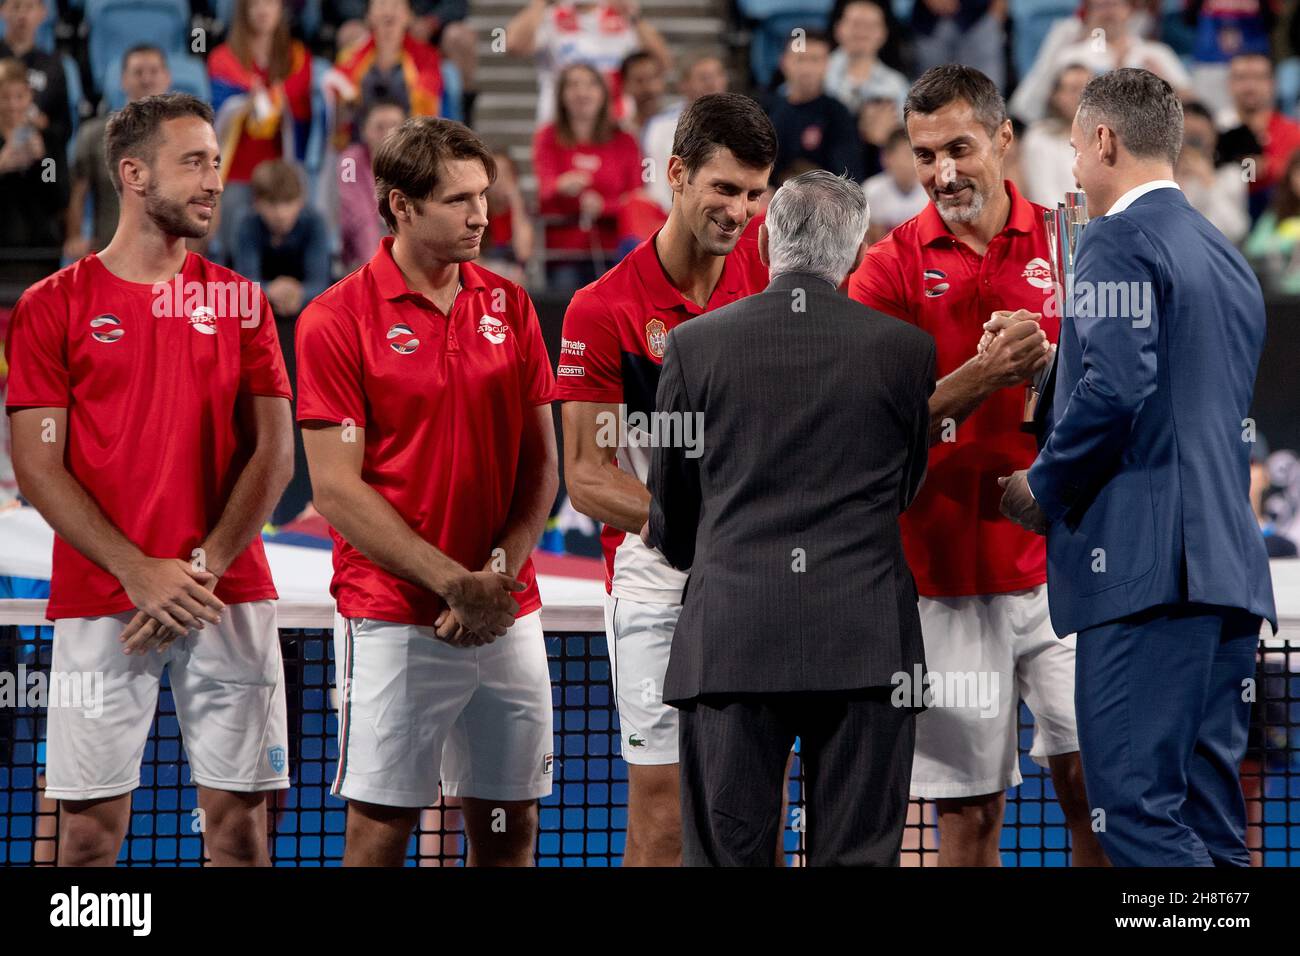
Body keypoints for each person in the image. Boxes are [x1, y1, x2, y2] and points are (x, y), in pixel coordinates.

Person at [4, 92, 295, 866]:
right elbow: (37, 464)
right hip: (102, 598)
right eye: (193, 162)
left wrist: (197, 572)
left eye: (216, 163)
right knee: (87, 838)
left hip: (225, 593)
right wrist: (137, 570)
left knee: (241, 833)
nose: (213, 180)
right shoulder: (50, 307)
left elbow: (275, 455)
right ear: (133, 174)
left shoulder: (241, 302)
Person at [1000, 68, 1278, 866]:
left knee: (1136, 816)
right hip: (1225, 576)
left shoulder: (1115, 239)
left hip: (1148, 577)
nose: (1076, 177)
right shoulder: (1225, 257)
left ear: (1104, 140)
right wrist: (1061, 368)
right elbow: (1174, 395)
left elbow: (1121, 385)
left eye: (1080, 156)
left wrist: (1042, 488)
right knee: (1211, 820)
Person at [847, 65, 1106, 867]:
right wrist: (980, 378)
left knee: (1095, 796)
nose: (943, 173)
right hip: (941, 581)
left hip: (1067, 571)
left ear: (1003, 139)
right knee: (968, 822)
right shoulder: (885, 270)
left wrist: (1054, 361)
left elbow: (1121, 390)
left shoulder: (1076, 245)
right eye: (925, 155)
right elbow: (867, 431)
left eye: (959, 147)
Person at [644, 170, 933, 867]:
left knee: (725, 858)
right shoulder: (906, 352)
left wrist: (706, 552)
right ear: (858, 251)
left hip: (732, 638)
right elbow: (905, 488)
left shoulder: (694, 346)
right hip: (867, 643)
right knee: (859, 858)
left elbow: (671, 508)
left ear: (768, 242)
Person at [296, 117, 558, 867]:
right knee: (379, 838)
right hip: (393, 619)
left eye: (484, 195)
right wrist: (454, 583)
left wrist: (496, 575)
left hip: (507, 610)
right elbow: (338, 489)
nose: (481, 215)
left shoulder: (511, 304)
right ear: (401, 205)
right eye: (457, 200)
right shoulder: (334, 320)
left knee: (510, 836)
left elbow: (541, 466)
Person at [557, 92, 776, 866]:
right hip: (657, 581)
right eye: (724, 188)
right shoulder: (600, 310)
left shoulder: (772, 277)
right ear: (676, 175)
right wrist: (692, 527)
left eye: (754, 194)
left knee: (753, 796)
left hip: (756, 577)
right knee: (661, 803)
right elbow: (586, 476)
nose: (740, 210)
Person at [209, 0, 314, 264]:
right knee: (232, 249)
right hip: (237, 171)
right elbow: (218, 110)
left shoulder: (297, 57)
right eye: (255, 5)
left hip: (283, 169)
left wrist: (270, 100)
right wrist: (248, 103)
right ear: (243, 11)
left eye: (270, 4)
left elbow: (301, 104)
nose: (263, 11)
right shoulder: (222, 58)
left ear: (281, 9)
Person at [532, 62, 643, 289]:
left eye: (590, 85)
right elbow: (544, 194)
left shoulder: (625, 141)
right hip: (563, 253)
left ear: (604, 94)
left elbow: (637, 199)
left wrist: (603, 207)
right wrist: (560, 187)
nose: (582, 92)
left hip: (616, 251)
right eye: (573, 85)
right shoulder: (547, 137)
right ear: (561, 95)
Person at [64, 46, 173, 262]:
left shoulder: (185, 138)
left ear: (167, 78)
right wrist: (75, 236)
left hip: (167, 257)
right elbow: (77, 191)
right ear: (123, 80)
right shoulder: (94, 134)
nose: (146, 80)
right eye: (138, 72)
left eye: (153, 72)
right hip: (110, 255)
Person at [1011, 0, 1191, 125]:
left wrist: (1164, 84)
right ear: (1089, 12)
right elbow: (1034, 105)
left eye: (1114, 4)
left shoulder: (1156, 53)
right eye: (1100, 5)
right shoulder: (1073, 56)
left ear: (1130, 9)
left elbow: (1193, 107)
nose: (1108, 11)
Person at [506, 0, 671, 125]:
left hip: (616, 124)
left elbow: (662, 63)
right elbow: (512, 45)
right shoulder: (552, 17)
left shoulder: (620, 14)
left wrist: (634, 17)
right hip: (561, 126)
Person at [767, 30, 863, 182]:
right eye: (800, 59)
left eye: (815, 60)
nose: (807, 69)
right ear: (783, 62)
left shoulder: (838, 114)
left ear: (827, 64)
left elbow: (848, 177)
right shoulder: (765, 109)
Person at [641, 48, 728, 213]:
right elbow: (652, 174)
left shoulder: (741, 124)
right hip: (666, 212)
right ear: (684, 84)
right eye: (704, 78)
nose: (713, 84)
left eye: (718, 76)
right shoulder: (659, 126)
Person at [1217, 53, 1300, 222]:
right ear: (1229, 84)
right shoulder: (1217, 130)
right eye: (1241, 78)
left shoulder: (1293, 133)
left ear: (1273, 84)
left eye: (1258, 77)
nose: (1250, 86)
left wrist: (1265, 168)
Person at [0, 57, 64, 264]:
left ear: (30, 96)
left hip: (41, 251)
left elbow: (58, 198)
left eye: (19, 96)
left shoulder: (49, 139)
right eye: (4, 97)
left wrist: (42, 160)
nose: (12, 105)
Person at [338, 97, 407, 271]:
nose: (388, 133)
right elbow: (358, 216)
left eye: (395, 125)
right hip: (361, 256)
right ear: (363, 131)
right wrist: (376, 269)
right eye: (379, 127)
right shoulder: (349, 161)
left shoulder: (417, 161)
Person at [0, 0, 69, 171]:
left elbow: (64, 126)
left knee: (49, 178)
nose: (22, 14)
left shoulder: (53, 66)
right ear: (2, 11)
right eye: (15, 6)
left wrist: (43, 126)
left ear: (43, 12)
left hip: (39, 156)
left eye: (29, 7)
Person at [1176, 101, 1248, 244]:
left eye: (1198, 136)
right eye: (1187, 136)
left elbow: (1236, 230)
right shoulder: (1165, 178)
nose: (1192, 144)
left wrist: (1209, 182)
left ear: (1214, 136)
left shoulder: (1231, 174)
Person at [1019, 63, 1090, 209]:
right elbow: (1043, 196)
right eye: (1074, 89)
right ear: (1056, 96)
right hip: (1058, 225)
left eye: (1088, 90)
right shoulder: (1039, 138)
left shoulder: (1105, 138)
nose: (1082, 97)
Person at [825, 0, 908, 116]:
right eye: (855, 24)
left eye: (870, 26)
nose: (862, 32)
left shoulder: (895, 84)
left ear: (883, 34)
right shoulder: (817, 71)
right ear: (838, 29)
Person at [910, 0, 1006, 92]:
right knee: (931, 95)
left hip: (980, 19)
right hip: (931, 23)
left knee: (987, 94)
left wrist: (998, 7)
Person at [862, 126, 927, 242]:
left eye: (918, 154)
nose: (914, 162)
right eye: (907, 154)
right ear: (886, 158)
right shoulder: (872, 191)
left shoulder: (930, 192)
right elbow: (873, 242)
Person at [620, 49, 669, 143]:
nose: (648, 88)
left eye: (653, 78)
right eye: (639, 80)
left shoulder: (679, 128)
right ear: (625, 85)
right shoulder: (620, 131)